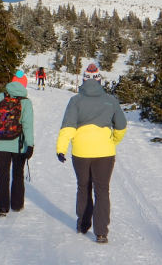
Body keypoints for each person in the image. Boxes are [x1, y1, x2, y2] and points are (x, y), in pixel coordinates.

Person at [56, 63, 127, 244]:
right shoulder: (110, 100)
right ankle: (102, 232)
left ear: (84, 80)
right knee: (102, 190)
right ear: (99, 80)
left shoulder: (76, 100)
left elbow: (68, 126)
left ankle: (83, 225)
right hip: (105, 153)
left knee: (83, 187)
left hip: (81, 152)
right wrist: (112, 142)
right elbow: (121, 125)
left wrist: (61, 148)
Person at [0, 70, 34, 217]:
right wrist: (30, 145)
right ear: (24, 85)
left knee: (2, 175)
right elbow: (28, 125)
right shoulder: (25, 102)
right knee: (18, 173)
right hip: (19, 145)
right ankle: (17, 204)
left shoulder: (2, 96)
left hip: (0, 144)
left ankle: (2, 208)